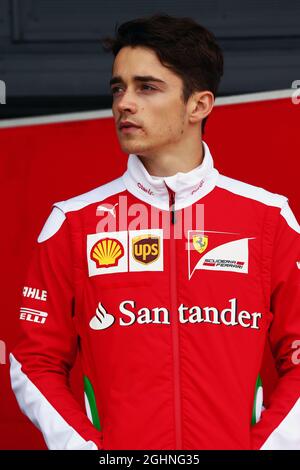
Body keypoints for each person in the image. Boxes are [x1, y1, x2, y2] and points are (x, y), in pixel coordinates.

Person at [10, 14, 300, 450]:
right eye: (118, 88)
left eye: (147, 87)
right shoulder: (73, 223)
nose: (125, 103)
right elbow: (33, 359)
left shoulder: (268, 219)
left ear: (199, 105)